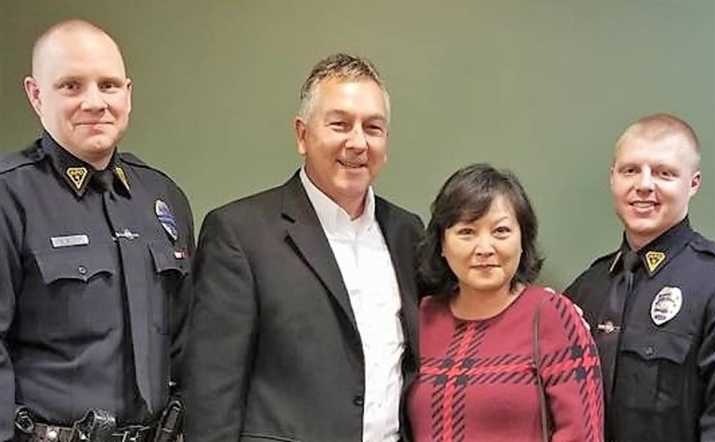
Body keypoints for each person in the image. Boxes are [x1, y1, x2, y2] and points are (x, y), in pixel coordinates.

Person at [182, 53, 424, 442]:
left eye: (373, 127)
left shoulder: (407, 233)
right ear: (302, 134)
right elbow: (212, 395)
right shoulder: (240, 234)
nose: (358, 142)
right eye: (340, 124)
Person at [0, 19, 194, 442]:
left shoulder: (162, 198)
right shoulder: (9, 196)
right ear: (36, 95)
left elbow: (184, 343)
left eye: (108, 85)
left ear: (128, 94)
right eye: (71, 86)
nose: (94, 102)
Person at [409, 164, 604, 442]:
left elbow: (582, 435)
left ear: (523, 239)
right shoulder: (422, 316)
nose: (485, 248)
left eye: (500, 231)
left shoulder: (551, 314)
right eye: (467, 232)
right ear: (442, 243)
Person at [565, 113, 715, 442]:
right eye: (630, 170)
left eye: (664, 173)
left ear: (693, 183)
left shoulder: (713, 282)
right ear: (612, 178)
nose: (644, 185)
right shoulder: (586, 289)